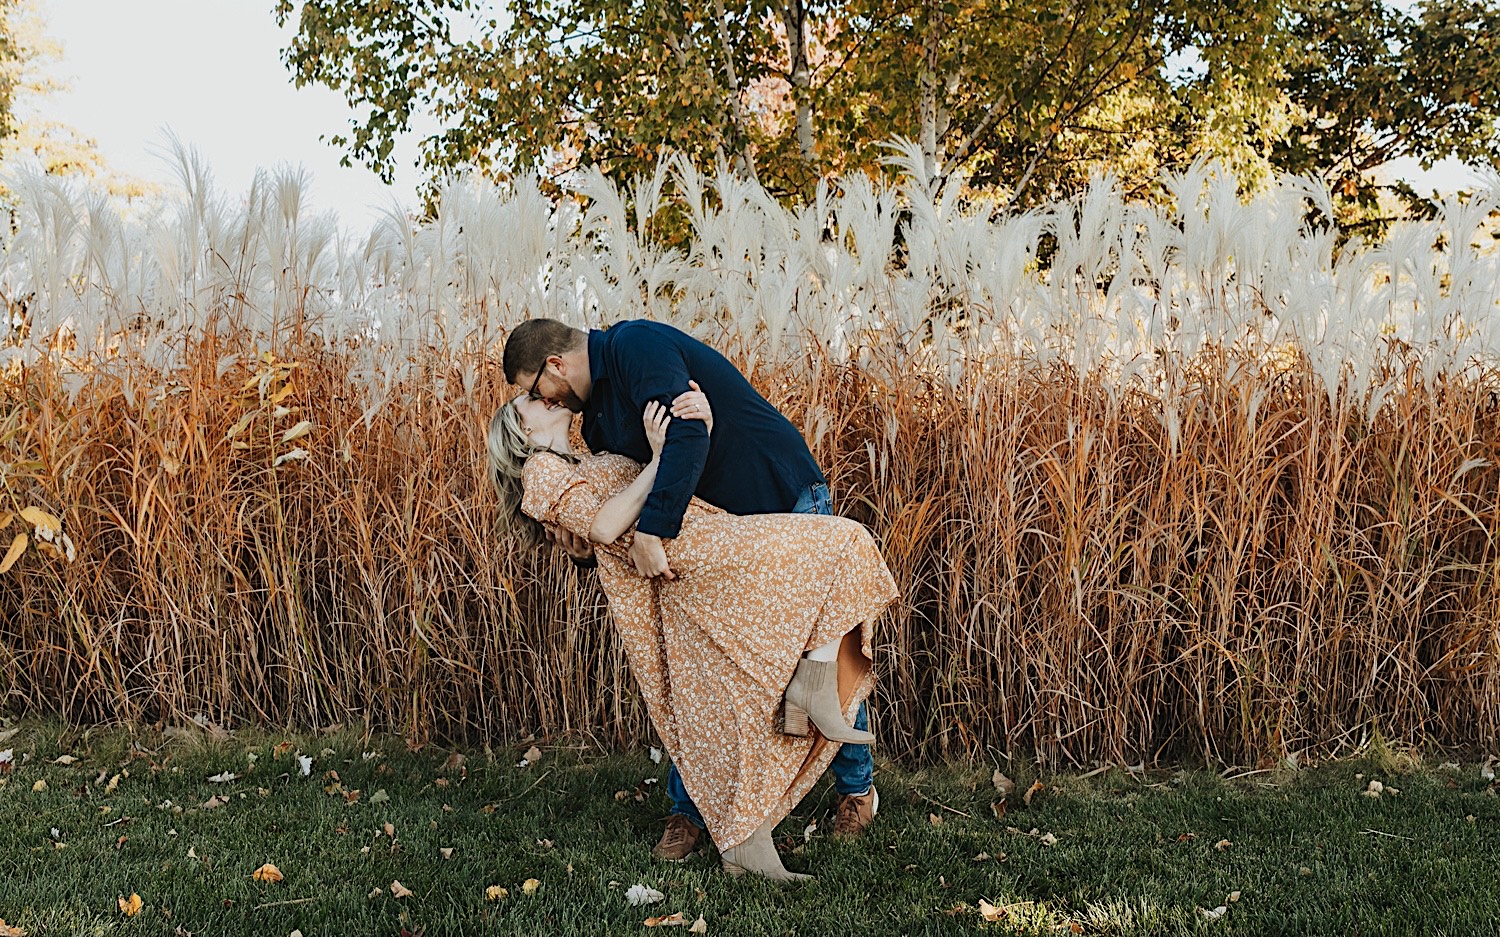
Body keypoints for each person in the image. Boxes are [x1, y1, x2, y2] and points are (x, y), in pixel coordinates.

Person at [500, 318, 884, 860]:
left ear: (555, 366)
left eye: (532, 386)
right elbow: (621, 510)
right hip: (713, 537)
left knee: (814, 654)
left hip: (774, 494)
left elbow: (687, 431)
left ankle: (855, 790)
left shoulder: (636, 347)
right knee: (693, 671)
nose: (537, 397)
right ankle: (694, 811)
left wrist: (653, 529)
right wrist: (591, 548)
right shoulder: (596, 425)